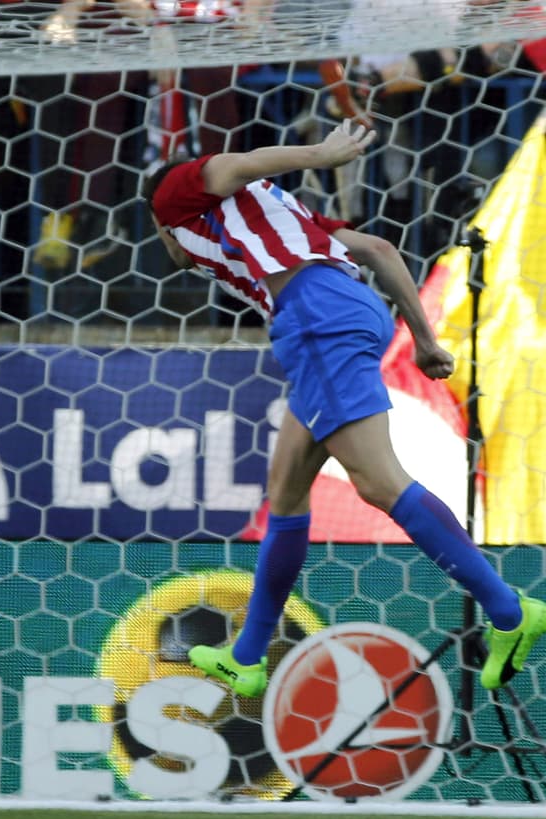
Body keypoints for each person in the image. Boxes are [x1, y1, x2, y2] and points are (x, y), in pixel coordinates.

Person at [142, 119, 546, 698]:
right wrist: (425, 339)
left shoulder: (173, 195)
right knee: (286, 489)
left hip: (316, 317)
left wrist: (320, 153)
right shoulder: (291, 219)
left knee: (379, 483)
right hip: (344, 306)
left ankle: (509, 611)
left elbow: (229, 166)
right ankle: (247, 657)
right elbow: (379, 250)